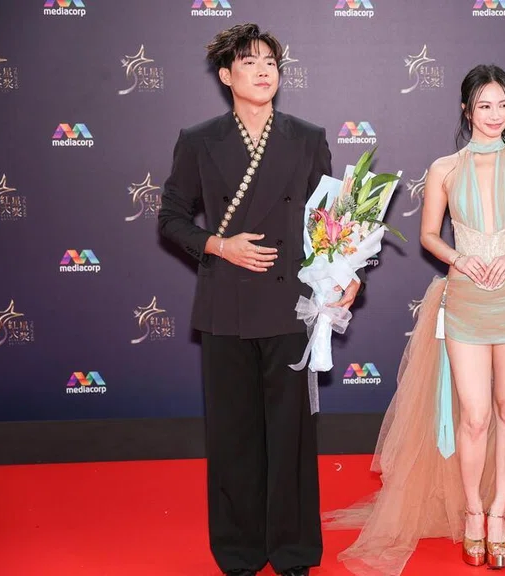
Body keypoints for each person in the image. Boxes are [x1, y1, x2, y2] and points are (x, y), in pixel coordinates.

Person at [324, 64, 505, 575]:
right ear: (466, 110)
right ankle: (472, 510)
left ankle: (499, 515)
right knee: (474, 416)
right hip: (465, 297)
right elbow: (430, 235)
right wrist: (460, 258)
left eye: (503, 104)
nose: (495, 115)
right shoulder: (444, 168)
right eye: (484, 105)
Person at [158, 23, 361, 576]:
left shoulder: (307, 136)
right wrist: (219, 244)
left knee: (291, 435)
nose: (263, 70)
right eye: (248, 62)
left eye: (269, 61)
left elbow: (329, 224)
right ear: (227, 76)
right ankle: (240, 552)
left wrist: (346, 271)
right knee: (233, 435)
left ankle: (293, 552)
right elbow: (171, 218)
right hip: (226, 305)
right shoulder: (199, 139)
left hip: (290, 302)